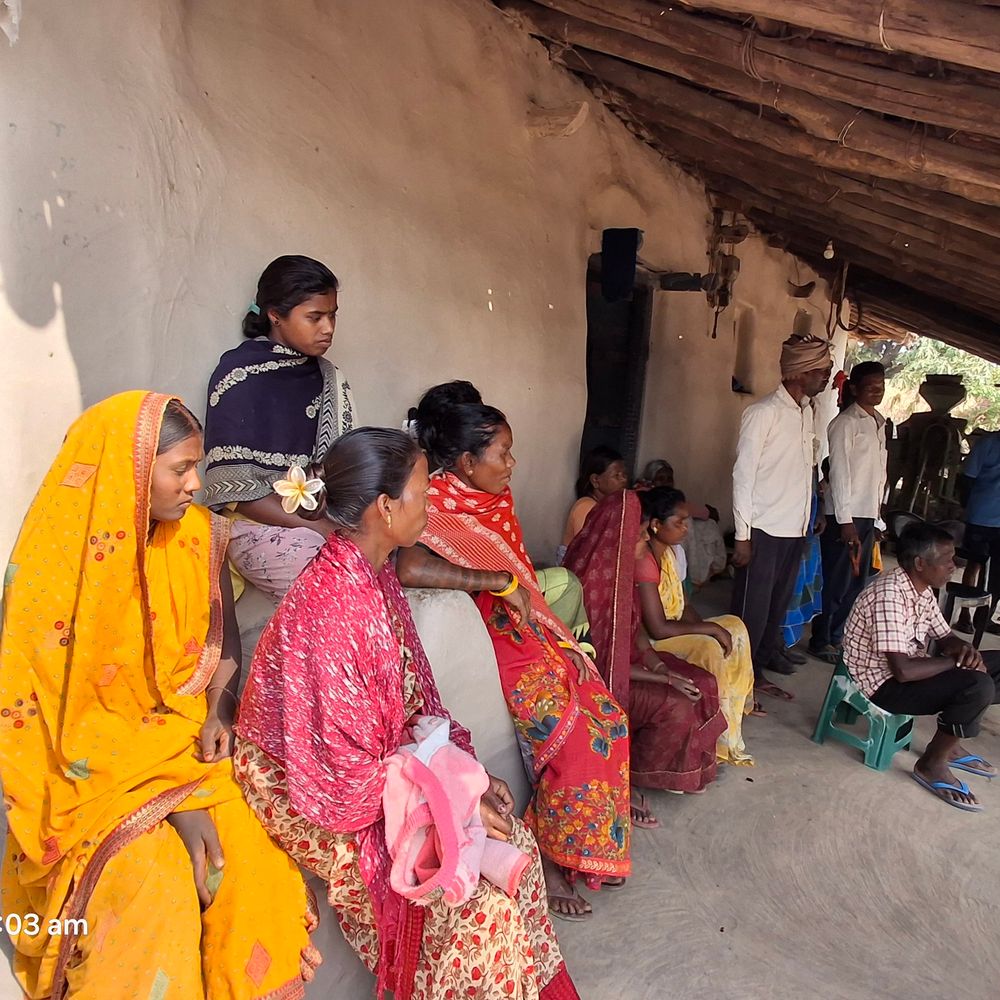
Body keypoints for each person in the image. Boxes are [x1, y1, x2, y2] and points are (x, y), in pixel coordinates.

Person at [235, 428, 578, 999]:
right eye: (423, 493)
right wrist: (452, 800)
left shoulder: (374, 575)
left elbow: (419, 703)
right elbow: (341, 788)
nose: (431, 504)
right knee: (476, 914)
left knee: (514, 842)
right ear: (386, 507)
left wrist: (467, 776)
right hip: (311, 794)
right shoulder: (332, 609)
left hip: (378, 772)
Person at [0, 392, 317, 999]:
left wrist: (220, 708)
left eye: (197, 467)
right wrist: (172, 804)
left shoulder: (197, 537)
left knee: (250, 866)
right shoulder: (57, 566)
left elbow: (223, 641)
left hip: (182, 752)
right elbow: (60, 726)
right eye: (180, 469)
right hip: (86, 784)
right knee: (158, 888)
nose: (195, 484)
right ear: (129, 470)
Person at [397, 385, 631, 921]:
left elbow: (520, 574)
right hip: (497, 634)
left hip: (527, 627)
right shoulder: (438, 500)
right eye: (502, 454)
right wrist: (494, 581)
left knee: (607, 713)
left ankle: (589, 845)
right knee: (572, 730)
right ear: (466, 462)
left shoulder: (492, 500)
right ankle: (549, 858)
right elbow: (410, 566)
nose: (512, 464)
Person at [563, 491, 726, 818]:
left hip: (633, 665)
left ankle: (686, 766)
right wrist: (663, 679)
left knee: (702, 681)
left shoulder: (622, 572)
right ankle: (632, 777)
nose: (645, 541)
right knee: (675, 703)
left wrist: (659, 666)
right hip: (601, 680)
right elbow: (604, 667)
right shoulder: (593, 583)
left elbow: (636, 633)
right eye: (638, 536)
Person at [203, 254, 355, 601]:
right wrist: (322, 527)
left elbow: (343, 472)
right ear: (275, 315)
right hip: (254, 526)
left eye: (332, 315)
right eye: (314, 317)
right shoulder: (240, 375)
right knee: (335, 585)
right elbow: (234, 491)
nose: (328, 328)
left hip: (321, 522)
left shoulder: (329, 378)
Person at [843, 523, 1000, 812]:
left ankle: (949, 742)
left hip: (911, 670)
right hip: (884, 684)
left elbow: (945, 636)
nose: (954, 565)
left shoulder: (921, 589)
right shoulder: (890, 594)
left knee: (990, 668)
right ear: (919, 563)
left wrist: (964, 651)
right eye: (947, 560)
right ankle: (931, 763)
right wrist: (956, 662)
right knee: (977, 685)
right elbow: (903, 671)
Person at [731, 333, 833, 700]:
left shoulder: (806, 413)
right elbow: (743, 476)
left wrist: (813, 511)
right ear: (799, 372)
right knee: (751, 613)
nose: (827, 376)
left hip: (794, 529)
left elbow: (806, 468)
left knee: (774, 610)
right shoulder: (763, 413)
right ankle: (736, 684)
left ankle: (755, 675)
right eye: (821, 371)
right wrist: (742, 536)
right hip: (763, 529)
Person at [632, 487, 756, 763]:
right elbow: (657, 628)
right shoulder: (645, 561)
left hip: (672, 627)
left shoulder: (671, 554)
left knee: (734, 626)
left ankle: (733, 709)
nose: (686, 528)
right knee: (707, 646)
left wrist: (708, 627)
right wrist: (708, 630)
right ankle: (716, 732)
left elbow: (684, 605)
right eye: (679, 523)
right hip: (654, 639)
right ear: (656, 525)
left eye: (686, 521)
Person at [809, 362, 887, 662]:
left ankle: (836, 636)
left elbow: (879, 476)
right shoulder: (845, 423)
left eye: (881, 386)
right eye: (870, 386)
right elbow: (839, 474)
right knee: (835, 582)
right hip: (845, 517)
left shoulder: (878, 422)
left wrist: (877, 518)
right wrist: (845, 520)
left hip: (866, 514)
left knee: (856, 582)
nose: (877, 391)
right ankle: (820, 639)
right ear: (854, 388)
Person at [957, 429, 1000, 632]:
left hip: (984, 516)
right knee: (975, 565)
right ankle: (966, 615)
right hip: (981, 517)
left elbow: (967, 477)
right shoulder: (988, 443)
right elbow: (967, 477)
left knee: (993, 572)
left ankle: (984, 617)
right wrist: (968, 507)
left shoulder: (988, 442)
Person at [559, 446, 628, 558]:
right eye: (616, 475)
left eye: (624, 474)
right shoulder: (585, 507)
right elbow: (587, 550)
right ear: (595, 480)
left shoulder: (608, 505)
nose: (624, 479)